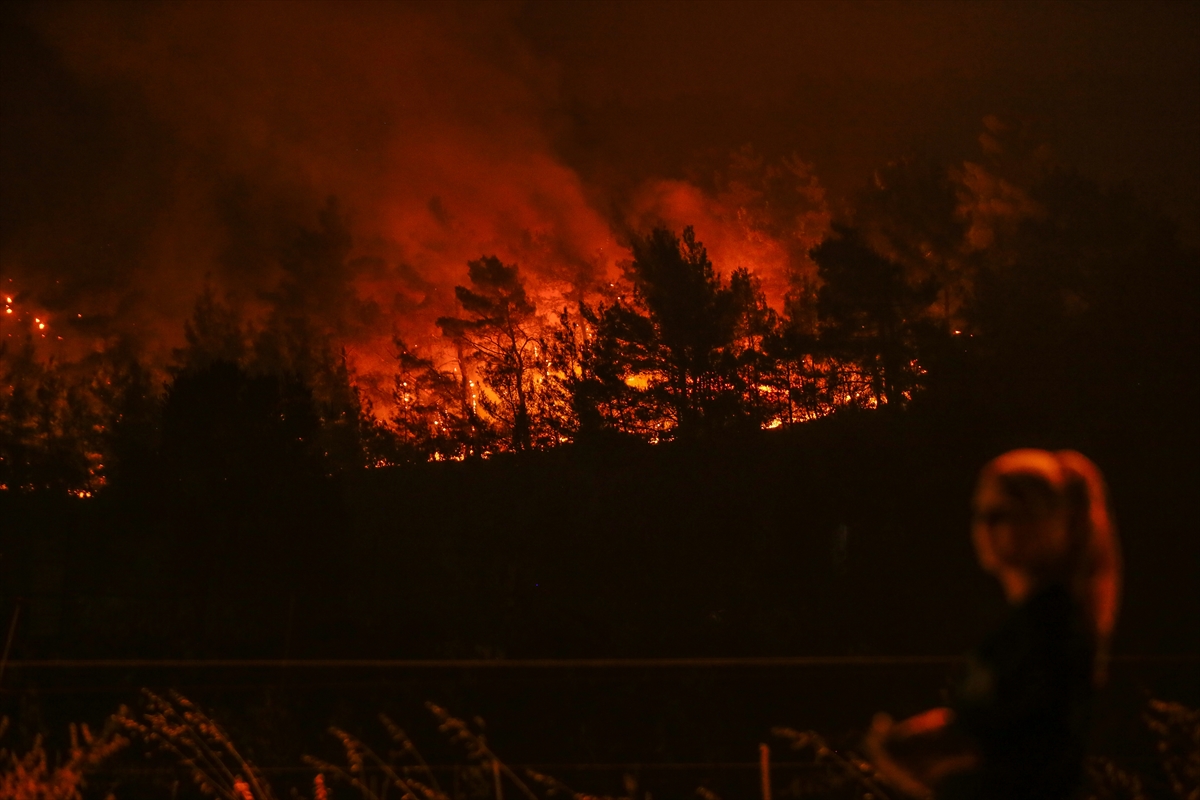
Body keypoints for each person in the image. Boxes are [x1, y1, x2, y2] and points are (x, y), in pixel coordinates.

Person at [864, 449, 1122, 799]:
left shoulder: (1051, 629)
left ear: (1048, 521)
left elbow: (1020, 751)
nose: (984, 528)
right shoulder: (1026, 624)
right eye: (979, 514)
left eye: (1001, 515)